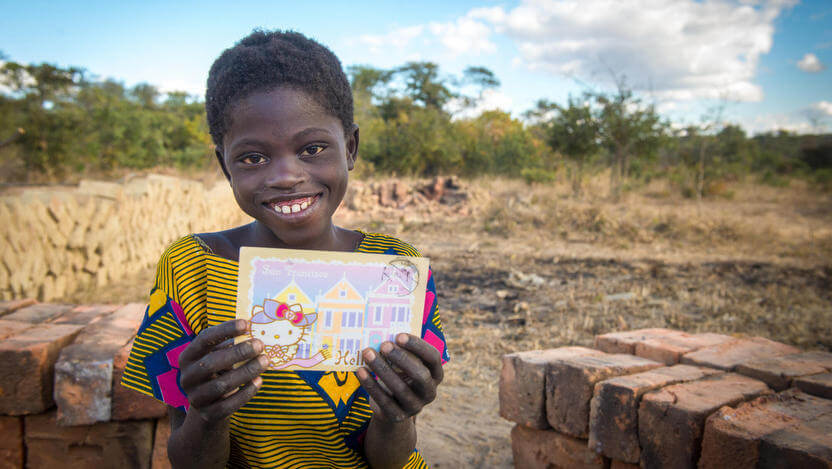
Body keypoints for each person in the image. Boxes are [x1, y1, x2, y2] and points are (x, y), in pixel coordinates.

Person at [120, 30, 449, 469]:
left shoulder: (395, 271)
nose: (286, 176)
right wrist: (204, 410)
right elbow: (189, 459)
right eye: (253, 158)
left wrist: (398, 414)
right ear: (225, 166)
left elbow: (391, 460)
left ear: (349, 148)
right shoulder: (193, 267)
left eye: (312, 149)